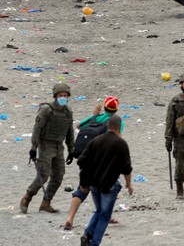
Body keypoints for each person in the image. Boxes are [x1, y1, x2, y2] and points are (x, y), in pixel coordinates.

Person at [64, 97, 120, 232]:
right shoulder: (116, 121)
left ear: (105, 108)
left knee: (83, 188)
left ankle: (70, 218)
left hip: (86, 159)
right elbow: (117, 138)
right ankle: (106, 214)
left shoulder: (95, 118)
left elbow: (77, 126)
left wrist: (94, 115)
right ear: (116, 109)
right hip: (103, 161)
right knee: (108, 188)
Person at [77, 114, 132, 246]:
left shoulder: (96, 140)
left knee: (99, 210)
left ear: (107, 126)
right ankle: (94, 242)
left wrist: (84, 182)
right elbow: (127, 169)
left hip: (94, 183)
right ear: (119, 127)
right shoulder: (121, 144)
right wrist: (128, 185)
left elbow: (81, 161)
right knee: (104, 215)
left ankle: (87, 234)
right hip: (109, 185)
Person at [20, 83, 75, 214]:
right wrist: (34, 147)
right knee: (43, 174)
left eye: (65, 95)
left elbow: (70, 132)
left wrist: (71, 150)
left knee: (58, 176)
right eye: (61, 95)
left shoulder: (68, 112)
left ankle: (46, 202)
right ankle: (27, 197)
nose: (63, 97)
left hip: (59, 146)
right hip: (46, 144)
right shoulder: (46, 110)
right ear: (55, 96)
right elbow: (37, 129)